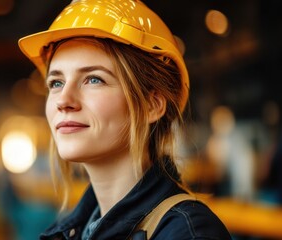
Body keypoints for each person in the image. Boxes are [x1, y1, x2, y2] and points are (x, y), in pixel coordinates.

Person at [18, 0, 231, 239]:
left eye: (93, 79)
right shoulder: (75, 231)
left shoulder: (188, 234)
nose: (63, 100)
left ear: (152, 105)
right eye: (56, 83)